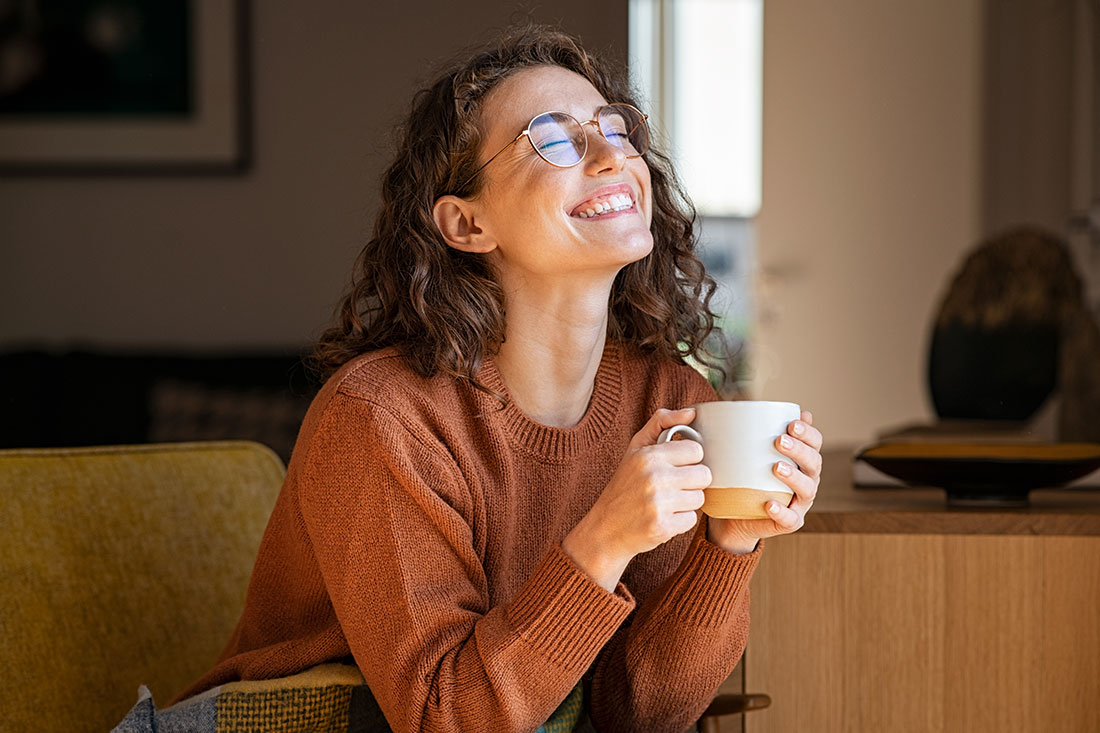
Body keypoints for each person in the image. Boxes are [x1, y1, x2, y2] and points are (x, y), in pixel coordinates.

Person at [174, 25, 823, 733]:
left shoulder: (670, 401)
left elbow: (632, 714)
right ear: (467, 222)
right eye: (553, 138)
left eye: (617, 128)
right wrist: (602, 541)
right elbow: (440, 718)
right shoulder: (382, 416)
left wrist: (727, 543)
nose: (612, 155)